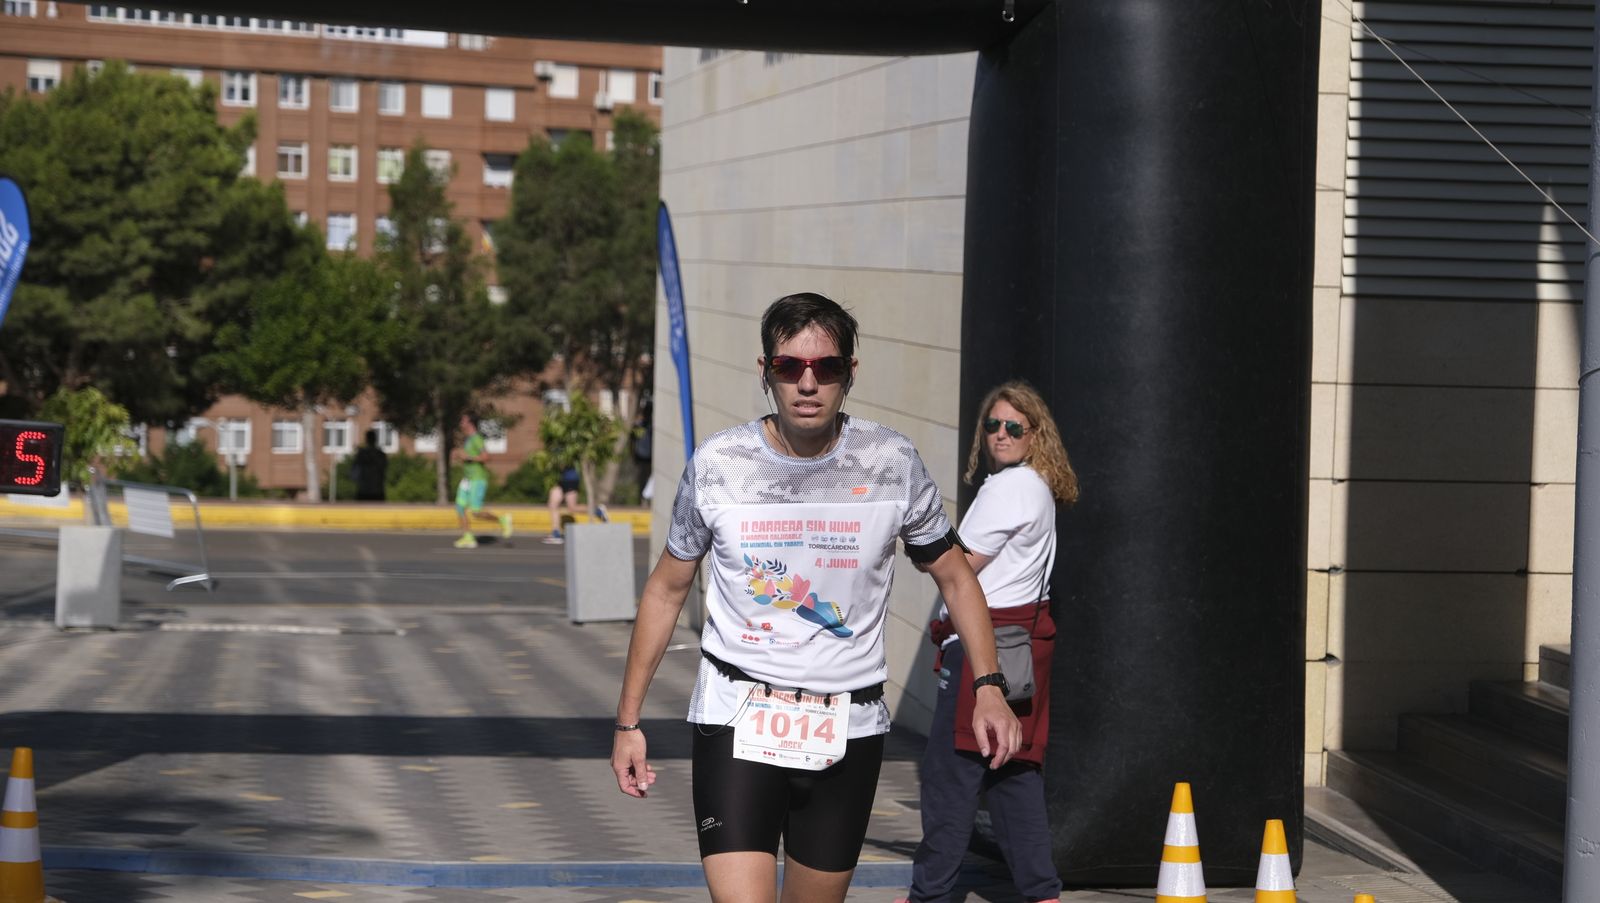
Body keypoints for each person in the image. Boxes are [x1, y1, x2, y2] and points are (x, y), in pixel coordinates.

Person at [610, 292, 1022, 903]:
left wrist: (989, 688)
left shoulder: (892, 463)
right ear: (766, 372)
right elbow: (667, 589)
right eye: (789, 368)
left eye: (826, 368)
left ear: (850, 374)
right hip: (737, 715)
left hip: (847, 726)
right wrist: (628, 722)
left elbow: (958, 577)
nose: (808, 383)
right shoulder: (719, 464)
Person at [903, 380, 1080, 903]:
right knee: (1013, 773)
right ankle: (1041, 892)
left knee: (950, 778)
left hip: (986, 647)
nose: (1000, 435)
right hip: (1025, 645)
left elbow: (957, 564)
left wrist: (911, 535)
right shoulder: (1040, 488)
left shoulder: (1007, 489)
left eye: (1013, 427)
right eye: (992, 425)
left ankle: (930, 896)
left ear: (1035, 434)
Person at [453, 413, 513, 549]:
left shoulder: (477, 439)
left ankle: (502, 520)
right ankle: (468, 537)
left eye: (463, 420)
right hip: (467, 480)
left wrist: (467, 457)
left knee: (475, 512)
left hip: (477, 480)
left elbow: (486, 457)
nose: (460, 423)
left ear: (470, 423)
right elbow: (470, 456)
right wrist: (460, 456)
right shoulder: (468, 439)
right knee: (459, 507)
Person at [543, 465, 581, 544]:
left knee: (572, 508)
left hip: (571, 479)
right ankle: (556, 533)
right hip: (560, 479)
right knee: (553, 504)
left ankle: (597, 510)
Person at [351, 428, 388, 502]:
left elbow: (355, 471)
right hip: (376, 490)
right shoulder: (380, 454)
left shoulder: (362, 454)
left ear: (366, 439)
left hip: (365, 490)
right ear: (375, 439)